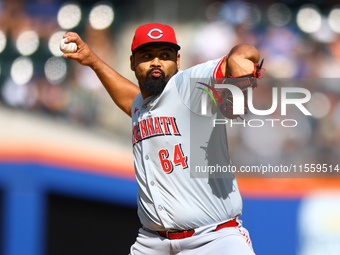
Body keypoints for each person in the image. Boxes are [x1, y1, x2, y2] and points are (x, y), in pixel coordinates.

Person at [63, 23, 261, 255]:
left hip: (213, 239)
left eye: (165, 56)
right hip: (152, 243)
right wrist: (93, 61)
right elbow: (131, 100)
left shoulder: (190, 86)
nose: (156, 62)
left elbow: (247, 53)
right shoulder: (142, 106)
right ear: (132, 62)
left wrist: (239, 56)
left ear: (177, 62)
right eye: (147, 56)